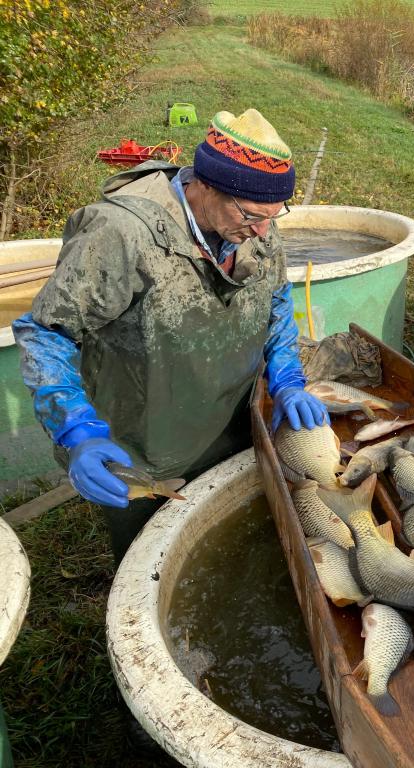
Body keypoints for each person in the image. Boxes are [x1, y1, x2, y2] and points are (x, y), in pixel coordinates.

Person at [14, 108, 327, 564]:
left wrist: (286, 378)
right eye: (253, 215)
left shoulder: (254, 225)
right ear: (206, 185)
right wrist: (76, 429)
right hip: (143, 441)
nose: (264, 230)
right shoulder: (120, 234)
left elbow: (275, 301)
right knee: (150, 563)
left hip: (230, 425)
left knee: (224, 549)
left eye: (274, 216)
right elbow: (45, 331)